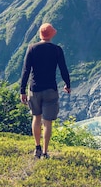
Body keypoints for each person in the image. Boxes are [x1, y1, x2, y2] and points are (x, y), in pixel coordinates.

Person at [20, 23, 71, 159]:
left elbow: (26, 71)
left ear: (40, 34)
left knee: (36, 118)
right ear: (52, 34)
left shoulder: (32, 48)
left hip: (35, 89)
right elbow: (63, 69)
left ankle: (37, 147)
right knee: (47, 122)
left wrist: (22, 91)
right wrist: (67, 84)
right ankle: (45, 152)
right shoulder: (57, 50)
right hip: (50, 89)